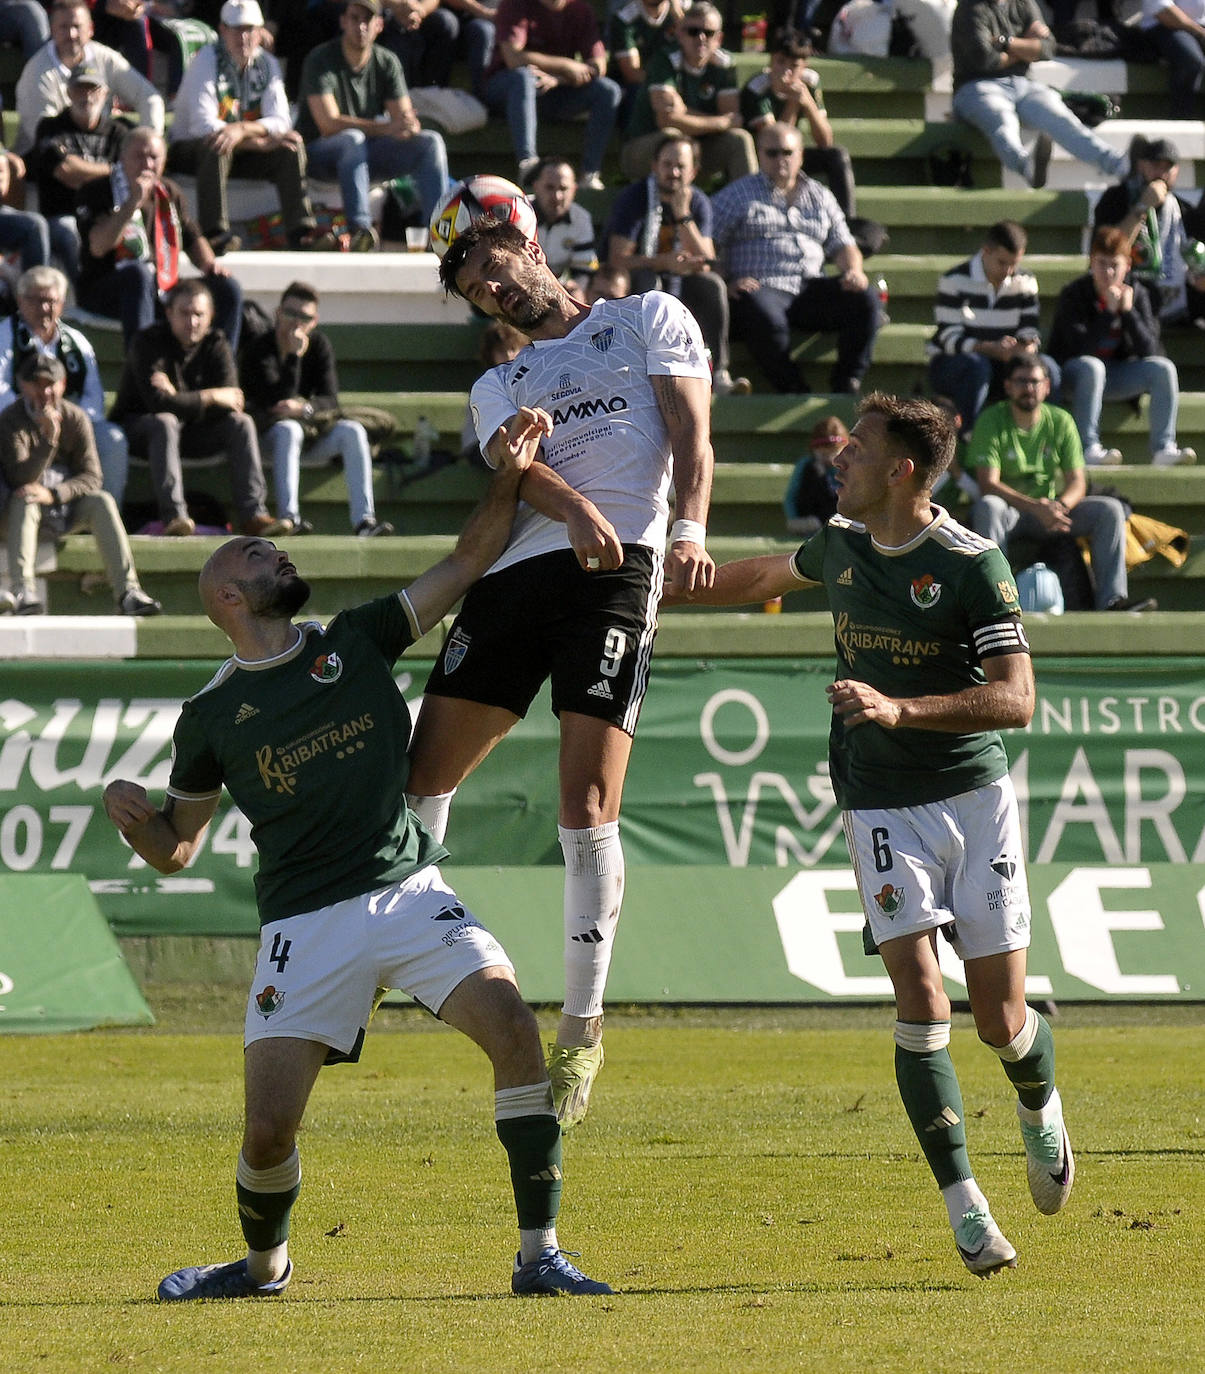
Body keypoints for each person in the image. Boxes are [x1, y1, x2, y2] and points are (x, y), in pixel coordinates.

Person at [99, 429, 614, 1301]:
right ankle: (264, 1271)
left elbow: (465, 562)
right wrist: (136, 819)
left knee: (516, 1036)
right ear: (229, 593)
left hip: (409, 891)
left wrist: (512, 475)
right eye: (260, 552)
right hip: (304, 925)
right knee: (266, 1133)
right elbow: (176, 850)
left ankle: (540, 1256)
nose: (279, 550)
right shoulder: (211, 715)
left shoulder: (357, 638)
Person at [669, 390, 1075, 1278]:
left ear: (900, 470)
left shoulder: (972, 564)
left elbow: (1016, 699)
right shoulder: (842, 545)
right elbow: (762, 576)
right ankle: (966, 1208)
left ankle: (1038, 1101)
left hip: (972, 798)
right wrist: (657, 588)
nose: (838, 460)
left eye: (855, 450)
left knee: (1001, 1021)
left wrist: (899, 706)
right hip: (877, 803)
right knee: (921, 1002)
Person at [407, 215, 715, 1129]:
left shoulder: (647, 315)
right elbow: (520, 470)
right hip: (514, 576)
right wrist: (573, 505)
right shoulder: (498, 381)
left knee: (585, 803)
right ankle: (411, 947)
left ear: (529, 248)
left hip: (617, 572)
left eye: (493, 273)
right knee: (423, 779)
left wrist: (688, 531)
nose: (492, 294)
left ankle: (581, 1026)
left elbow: (690, 434)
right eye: (475, 295)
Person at [967, 356, 1156, 611]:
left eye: (1035, 381)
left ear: (1046, 386)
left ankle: (1113, 601)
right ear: (1008, 386)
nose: (1028, 388)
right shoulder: (991, 419)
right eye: (1021, 381)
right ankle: (996, 600)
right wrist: (1036, 507)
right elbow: (988, 484)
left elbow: (1077, 481)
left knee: (1108, 510)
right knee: (988, 506)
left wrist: (1059, 506)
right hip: (1011, 512)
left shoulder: (1060, 420)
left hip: (1053, 511)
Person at [710, 121, 882, 395]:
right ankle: (791, 387)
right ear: (759, 154)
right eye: (772, 153)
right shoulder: (737, 195)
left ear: (801, 154)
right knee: (761, 312)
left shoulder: (820, 196)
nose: (781, 160)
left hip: (811, 286)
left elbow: (844, 243)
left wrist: (853, 271)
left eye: (788, 153)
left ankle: (848, 382)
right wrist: (725, 282)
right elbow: (708, 244)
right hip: (762, 287)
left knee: (866, 299)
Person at [111, 278, 283, 538]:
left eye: (199, 315)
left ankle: (253, 515)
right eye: (184, 313)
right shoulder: (148, 342)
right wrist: (212, 396)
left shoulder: (217, 344)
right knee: (165, 421)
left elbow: (232, 403)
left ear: (210, 316)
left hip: (193, 432)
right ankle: (175, 517)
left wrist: (179, 397)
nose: (192, 322)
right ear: (169, 313)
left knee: (241, 423)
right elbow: (157, 404)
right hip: (140, 431)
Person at [0, 353, 161, 617]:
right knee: (26, 498)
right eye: (36, 384)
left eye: (51, 383)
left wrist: (54, 494)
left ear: (63, 384)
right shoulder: (10, 420)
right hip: (15, 517)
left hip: (60, 508)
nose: (45, 391)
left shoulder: (75, 418)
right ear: (22, 384)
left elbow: (92, 477)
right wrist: (48, 441)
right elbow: (21, 478)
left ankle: (128, 592)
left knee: (102, 501)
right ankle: (23, 592)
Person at [240, 281, 396, 537]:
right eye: (291, 313)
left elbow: (330, 399)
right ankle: (290, 519)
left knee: (352, 430)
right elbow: (277, 400)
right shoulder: (259, 348)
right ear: (278, 313)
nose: (296, 323)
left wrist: (305, 410)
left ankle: (364, 523)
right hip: (266, 441)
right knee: (288, 429)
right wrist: (293, 357)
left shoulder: (320, 345)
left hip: (308, 435)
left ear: (314, 321)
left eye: (305, 317)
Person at [168, 0, 322, 255]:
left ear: (261, 31)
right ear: (222, 30)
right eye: (237, 29)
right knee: (217, 144)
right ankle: (216, 234)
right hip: (190, 151)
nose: (244, 37)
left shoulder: (267, 64)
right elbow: (203, 125)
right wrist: (257, 141)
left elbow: (281, 120)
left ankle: (301, 232)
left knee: (290, 146)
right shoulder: (206, 60)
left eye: (250, 29)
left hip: (239, 149)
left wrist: (241, 131)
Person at [296, 0, 451, 252]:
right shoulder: (321, 59)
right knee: (351, 139)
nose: (360, 26)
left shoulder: (386, 61)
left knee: (430, 142)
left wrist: (409, 126)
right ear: (343, 21)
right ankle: (360, 230)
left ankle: (440, 235)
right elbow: (328, 124)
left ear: (379, 25)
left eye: (367, 20)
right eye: (354, 18)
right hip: (317, 155)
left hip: (363, 154)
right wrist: (389, 127)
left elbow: (402, 117)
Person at [75, 126, 245, 350]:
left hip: (160, 288)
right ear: (121, 158)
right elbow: (98, 246)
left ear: (163, 162)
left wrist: (210, 266)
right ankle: (142, 366)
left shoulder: (168, 192)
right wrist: (132, 203)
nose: (147, 164)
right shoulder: (97, 189)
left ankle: (219, 367)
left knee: (227, 288)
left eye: (153, 157)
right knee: (138, 274)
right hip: (107, 287)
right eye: (139, 156)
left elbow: (193, 237)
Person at [605, 132, 750, 395]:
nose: (673, 172)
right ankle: (642, 369)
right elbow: (618, 258)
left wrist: (683, 217)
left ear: (693, 172)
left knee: (712, 285)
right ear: (654, 166)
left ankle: (718, 372)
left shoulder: (697, 203)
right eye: (667, 165)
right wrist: (663, 262)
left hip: (683, 281)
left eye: (680, 166)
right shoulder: (634, 199)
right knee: (650, 285)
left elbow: (708, 262)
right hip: (643, 278)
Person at [1048, 226, 1196, 469]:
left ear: (1127, 265)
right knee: (1093, 366)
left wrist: (1127, 313)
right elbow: (1080, 349)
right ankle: (1088, 448)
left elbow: (1152, 350)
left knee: (1163, 368)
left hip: (1114, 376)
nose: (1107, 272)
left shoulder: (1137, 293)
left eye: (1114, 265)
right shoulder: (1074, 294)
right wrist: (1108, 314)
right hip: (1074, 377)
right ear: (1091, 263)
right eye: (1101, 264)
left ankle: (1163, 448)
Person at [950, 0, 1128, 188]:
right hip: (975, 86)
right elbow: (986, 59)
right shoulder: (970, 8)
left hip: (1023, 84)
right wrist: (1026, 47)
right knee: (1002, 120)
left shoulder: (1024, 4)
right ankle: (1027, 168)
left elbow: (1048, 48)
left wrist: (1006, 43)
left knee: (1061, 117)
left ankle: (1119, 165)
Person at [0, 265, 130, 506]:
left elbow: (93, 397)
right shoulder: (4, 335)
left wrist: (66, 421)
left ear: (62, 303)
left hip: (67, 424)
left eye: (51, 301)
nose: (44, 308)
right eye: (36, 300)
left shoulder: (77, 342)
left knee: (112, 440)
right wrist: (33, 416)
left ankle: (100, 513)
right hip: (15, 425)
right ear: (19, 300)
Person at [926, 220, 1060, 438]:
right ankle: (971, 435)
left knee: (1049, 369)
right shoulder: (954, 280)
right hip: (955, 364)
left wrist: (1024, 348)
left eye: (1013, 264)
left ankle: (1049, 435)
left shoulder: (1025, 281)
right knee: (977, 366)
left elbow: (1029, 330)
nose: (1008, 271)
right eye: (1002, 262)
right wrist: (990, 348)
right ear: (985, 251)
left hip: (1003, 364)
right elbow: (948, 339)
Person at [484, 0, 622, 191]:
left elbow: (598, 66)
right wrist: (566, 66)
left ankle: (589, 174)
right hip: (506, 89)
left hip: (554, 91)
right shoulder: (514, 5)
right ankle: (528, 165)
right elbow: (513, 58)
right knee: (524, 77)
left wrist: (558, 79)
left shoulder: (580, 9)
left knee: (608, 90)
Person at [620, 3, 755, 185]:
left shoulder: (724, 64)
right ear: (680, 34)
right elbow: (666, 120)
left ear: (719, 38)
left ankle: (751, 209)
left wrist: (684, 114)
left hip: (697, 150)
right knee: (673, 137)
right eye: (693, 31)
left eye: (708, 33)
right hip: (644, 151)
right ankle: (673, 208)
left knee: (740, 140)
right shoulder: (664, 60)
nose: (701, 38)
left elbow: (732, 121)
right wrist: (719, 122)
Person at [14, 0, 164, 156]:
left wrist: (148, 147)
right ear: (52, 30)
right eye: (63, 27)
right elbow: (46, 138)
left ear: (90, 29)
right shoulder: (37, 72)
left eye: (77, 27)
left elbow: (149, 97)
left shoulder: (105, 58)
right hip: (46, 162)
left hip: (98, 154)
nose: (71, 35)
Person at [739, 28, 855, 219]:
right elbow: (775, 145)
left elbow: (825, 141)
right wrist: (793, 104)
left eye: (793, 65)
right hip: (763, 158)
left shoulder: (809, 82)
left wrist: (808, 103)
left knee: (837, 155)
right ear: (771, 61)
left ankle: (847, 222)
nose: (786, 71)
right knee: (780, 155)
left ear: (804, 66)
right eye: (780, 62)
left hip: (792, 155)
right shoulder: (757, 88)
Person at [1093, 135, 1205, 331]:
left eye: (1167, 168)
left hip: (1173, 301)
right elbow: (1108, 249)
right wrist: (1142, 207)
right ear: (1141, 166)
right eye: (1155, 166)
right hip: (1126, 293)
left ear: (1176, 171)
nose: (1161, 173)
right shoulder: (1115, 199)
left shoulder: (1184, 210)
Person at [31, 60, 126, 284]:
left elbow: (128, 175)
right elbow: (66, 170)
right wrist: (111, 171)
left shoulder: (119, 132)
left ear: (105, 93)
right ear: (69, 92)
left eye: (94, 89)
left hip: (106, 214)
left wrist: (83, 170)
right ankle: (86, 296)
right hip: (63, 216)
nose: (87, 96)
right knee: (70, 232)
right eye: (80, 89)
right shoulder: (50, 127)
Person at [460, 317, 528, 464]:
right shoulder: (487, 386)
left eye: (513, 349)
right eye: (501, 352)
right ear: (491, 355)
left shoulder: (530, 380)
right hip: (480, 448)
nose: (509, 356)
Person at [528, 156, 599, 294]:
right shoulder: (518, 212)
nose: (557, 196)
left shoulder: (581, 218)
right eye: (549, 187)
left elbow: (584, 270)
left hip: (560, 288)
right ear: (536, 187)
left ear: (574, 190)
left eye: (564, 188)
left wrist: (576, 288)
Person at [608, 0, 682, 129]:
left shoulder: (683, 14)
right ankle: (634, 144)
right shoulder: (624, 18)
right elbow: (632, 73)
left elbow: (697, 55)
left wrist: (681, 21)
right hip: (642, 83)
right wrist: (663, 86)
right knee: (637, 93)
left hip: (674, 80)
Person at [1137, 0, 1205, 118]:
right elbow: (1164, 11)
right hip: (1164, 26)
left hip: (1199, 26)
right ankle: (1182, 121)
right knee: (1190, 61)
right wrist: (1201, 32)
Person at [783, 412, 845, 535]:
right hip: (812, 520)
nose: (828, 458)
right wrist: (794, 518)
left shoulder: (847, 467)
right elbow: (791, 497)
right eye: (823, 454)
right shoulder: (807, 466)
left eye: (833, 453)